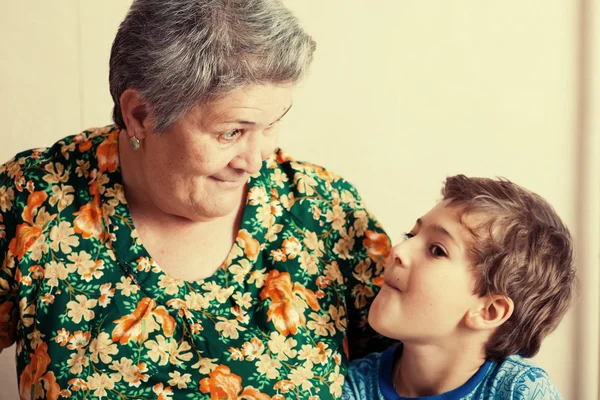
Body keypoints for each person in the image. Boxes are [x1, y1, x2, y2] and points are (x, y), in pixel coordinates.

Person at [0, 1, 391, 398]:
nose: (255, 162)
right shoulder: (31, 198)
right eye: (231, 132)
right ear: (139, 115)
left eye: (271, 125)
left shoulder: (325, 211)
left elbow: (415, 373)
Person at [343, 175, 576, 400]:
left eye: (437, 250)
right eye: (410, 235)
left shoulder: (520, 391)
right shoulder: (351, 384)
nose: (398, 250)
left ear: (489, 311)